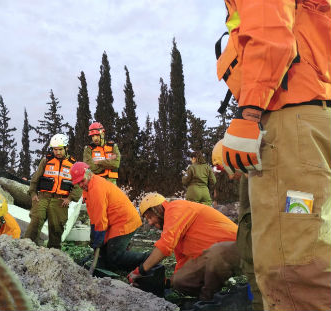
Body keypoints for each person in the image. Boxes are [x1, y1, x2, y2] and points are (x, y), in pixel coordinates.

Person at [217, 1, 331, 310]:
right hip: (312, 119)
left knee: (292, 271)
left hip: (290, 118)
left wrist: (248, 114)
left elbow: (270, 35)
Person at [127, 193, 240, 301]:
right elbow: (182, 263)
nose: (150, 222)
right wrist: (165, 283)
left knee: (210, 269)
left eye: (150, 217)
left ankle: (210, 301)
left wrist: (140, 270)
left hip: (236, 247)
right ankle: (216, 295)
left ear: (158, 209)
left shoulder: (175, 208)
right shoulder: (176, 227)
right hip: (213, 257)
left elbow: (165, 245)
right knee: (180, 281)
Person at [212, 140, 263, 311]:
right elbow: (244, 217)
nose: (228, 176)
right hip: (252, 257)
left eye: (223, 168)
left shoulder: (262, 181)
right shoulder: (247, 179)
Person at [70, 161, 148, 270]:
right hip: (114, 222)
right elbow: (94, 214)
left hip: (125, 221)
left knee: (114, 257)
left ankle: (148, 259)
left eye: (82, 181)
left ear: (89, 174)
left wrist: (98, 237)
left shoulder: (96, 188)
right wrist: (94, 235)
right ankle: (107, 266)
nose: (81, 185)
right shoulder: (88, 188)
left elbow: (100, 218)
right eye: (78, 183)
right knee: (104, 253)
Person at [24, 134, 82, 249]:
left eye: (60, 149)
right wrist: (33, 193)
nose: (57, 152)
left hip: (60, 200)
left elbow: (78, 185)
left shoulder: (73, 165)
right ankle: (26, 247)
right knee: (36, 220)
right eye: (55, 149)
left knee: (56, 227)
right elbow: (36, 178)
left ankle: (54, 253)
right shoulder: (46, 161)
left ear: (66, 148)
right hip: (43, 197)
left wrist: (70, 198)